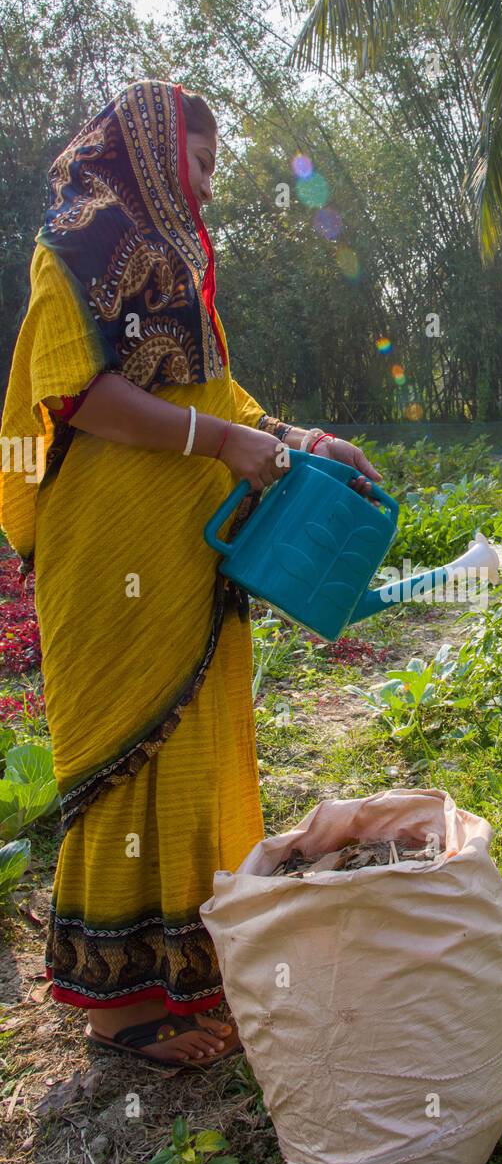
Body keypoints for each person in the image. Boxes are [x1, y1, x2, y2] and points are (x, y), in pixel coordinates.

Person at [0, 79, 382, 1068]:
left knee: (195, 747)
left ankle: (181, 975)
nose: (208, 188)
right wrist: (222, 441)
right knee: (131, 754)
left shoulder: (175, 262)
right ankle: (119, 1018)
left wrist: (301, 439)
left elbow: (214, 391)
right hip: (111, 554)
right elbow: (77, 393)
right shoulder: (79, 241)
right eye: (200, 163)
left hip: (186, 552)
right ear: (150, 149)